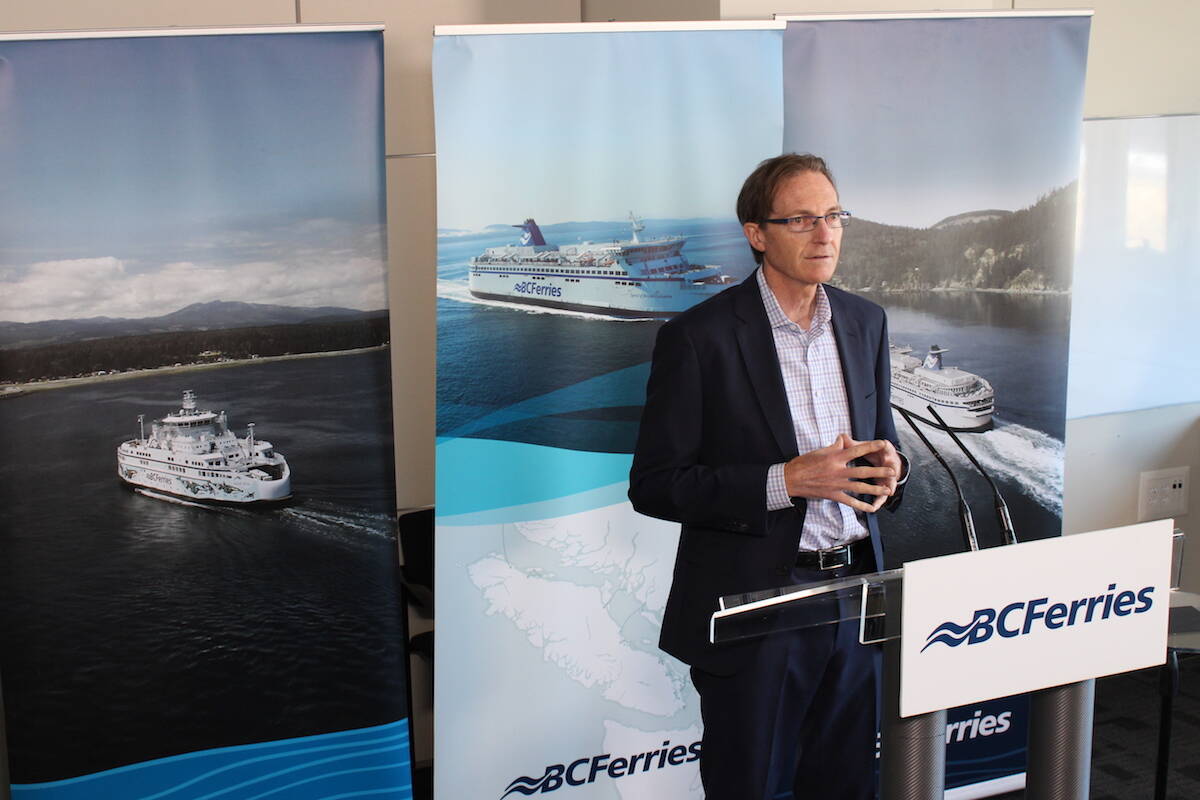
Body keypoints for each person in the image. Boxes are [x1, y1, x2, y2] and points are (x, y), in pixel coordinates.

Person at [628, 153, 907, 800]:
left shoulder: (867, 323)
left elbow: (882, 441)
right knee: (752, 788)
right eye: (802, 219)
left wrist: (895, 466)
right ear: (757, 233)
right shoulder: (699, 339)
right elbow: (657, 482)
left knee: (845, 788)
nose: (825, 233)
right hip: (758, 608)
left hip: (859, 600)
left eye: (834, 215)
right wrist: (787, 481)